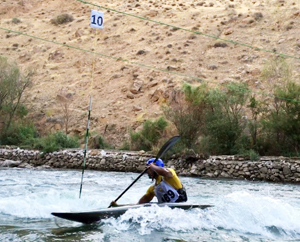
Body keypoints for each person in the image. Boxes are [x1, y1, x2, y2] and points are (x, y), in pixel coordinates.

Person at [110, 158, 187, 207]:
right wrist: (119, 206)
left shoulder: (169, 175)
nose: (147, 172)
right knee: (148, 205)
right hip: (169, 210)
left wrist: (152, 166)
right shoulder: (153, 189)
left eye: (148, 169)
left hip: (181, 204)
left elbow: (165, 172)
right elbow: (139, 205)